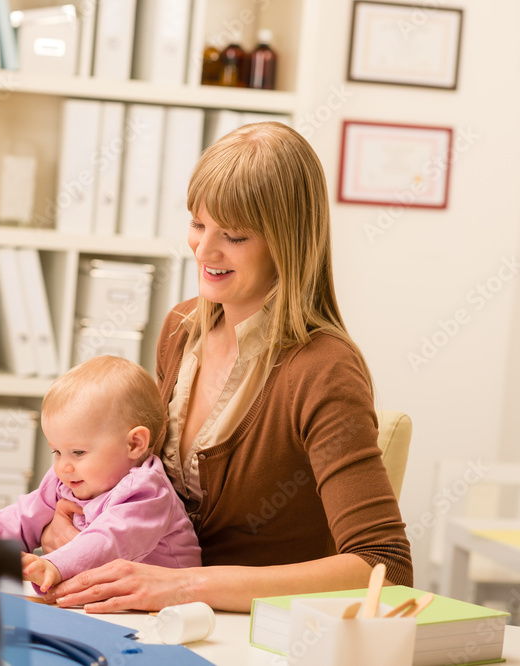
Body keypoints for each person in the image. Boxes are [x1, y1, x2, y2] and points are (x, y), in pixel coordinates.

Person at [40, 122, 413, 613]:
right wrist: (63, 525)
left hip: (254, 639)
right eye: (198, 224)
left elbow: (385, 568)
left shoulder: (324, 369)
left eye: (234, 235)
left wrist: (186, 587)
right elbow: (135, 484)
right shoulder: (181, 328)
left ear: (287, 242)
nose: (204, 250)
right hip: (156, 619)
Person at [0, 355, 201, 592]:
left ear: (134, 444)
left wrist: (54, 565)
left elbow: (107, 542)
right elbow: (23, 515)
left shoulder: (147, 493)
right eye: (57, 452)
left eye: (78, 452)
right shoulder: (68, 478)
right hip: (103, 592)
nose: (63, 466)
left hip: (165, 606)